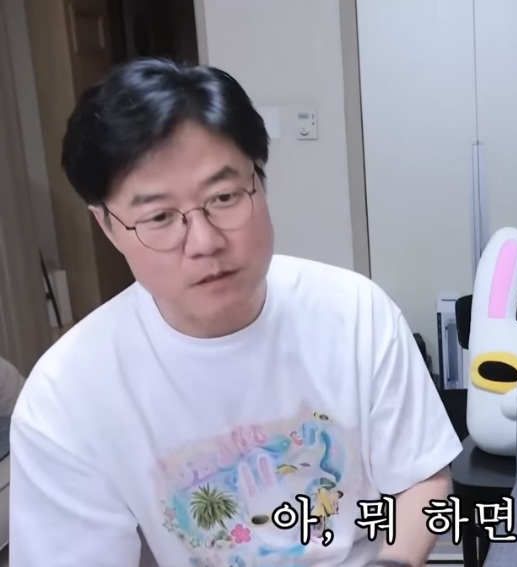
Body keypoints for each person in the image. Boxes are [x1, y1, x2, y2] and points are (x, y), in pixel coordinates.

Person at [10, 58, 462, 567]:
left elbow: (421, 479)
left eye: (224, 197)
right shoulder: (66, 395)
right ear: (108, 227)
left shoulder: (355, 313)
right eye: (159, 217)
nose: (204, 241)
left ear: (260, 183)